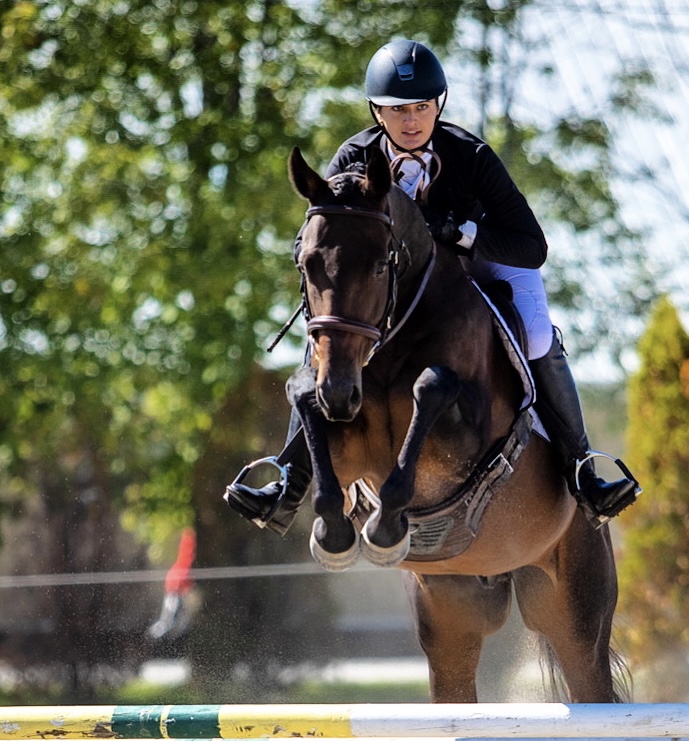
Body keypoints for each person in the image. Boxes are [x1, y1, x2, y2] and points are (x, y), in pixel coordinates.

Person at [226, 39, 639, 535]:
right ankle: (288, 485)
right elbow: (321, 228)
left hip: (479, 264)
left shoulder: (471, 156)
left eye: (422, 107)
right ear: (377, 111)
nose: (411, 121)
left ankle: (580, 468)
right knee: (328, 336)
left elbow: (531, 245)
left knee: (534, 335)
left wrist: (464, 232)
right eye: (397, 110)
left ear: (438, 105)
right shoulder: (354, 154)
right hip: (395, 280)